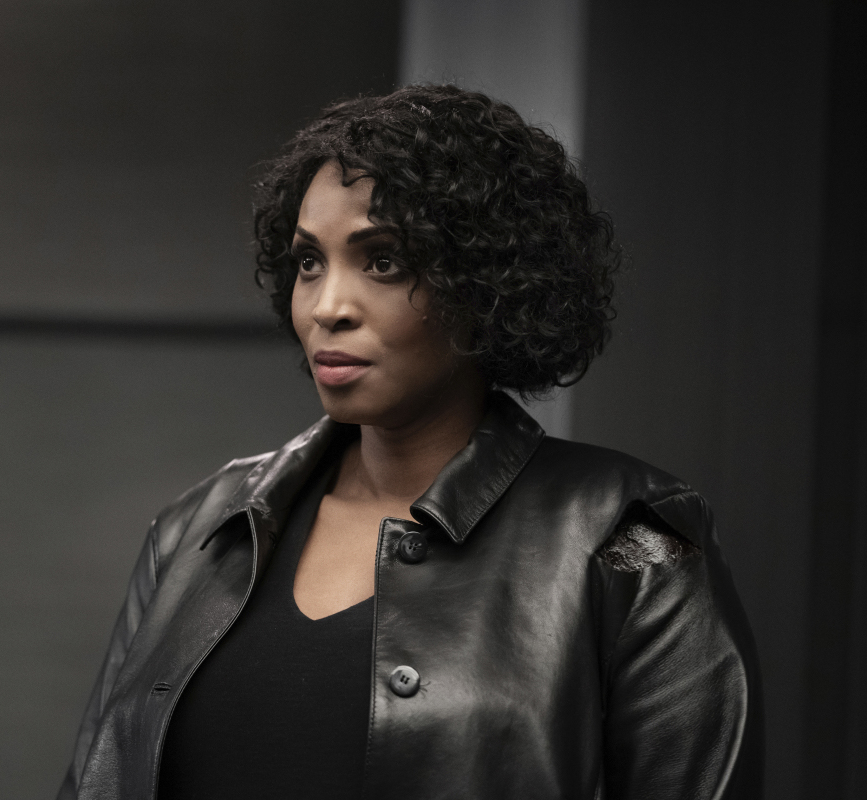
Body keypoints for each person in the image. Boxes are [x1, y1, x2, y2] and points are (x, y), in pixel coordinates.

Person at [57, 84, 762, 800]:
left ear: (487, 282)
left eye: (384, 261)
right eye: (309, 262)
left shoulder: (635, 534)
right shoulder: (197, 530)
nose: (328, 306)